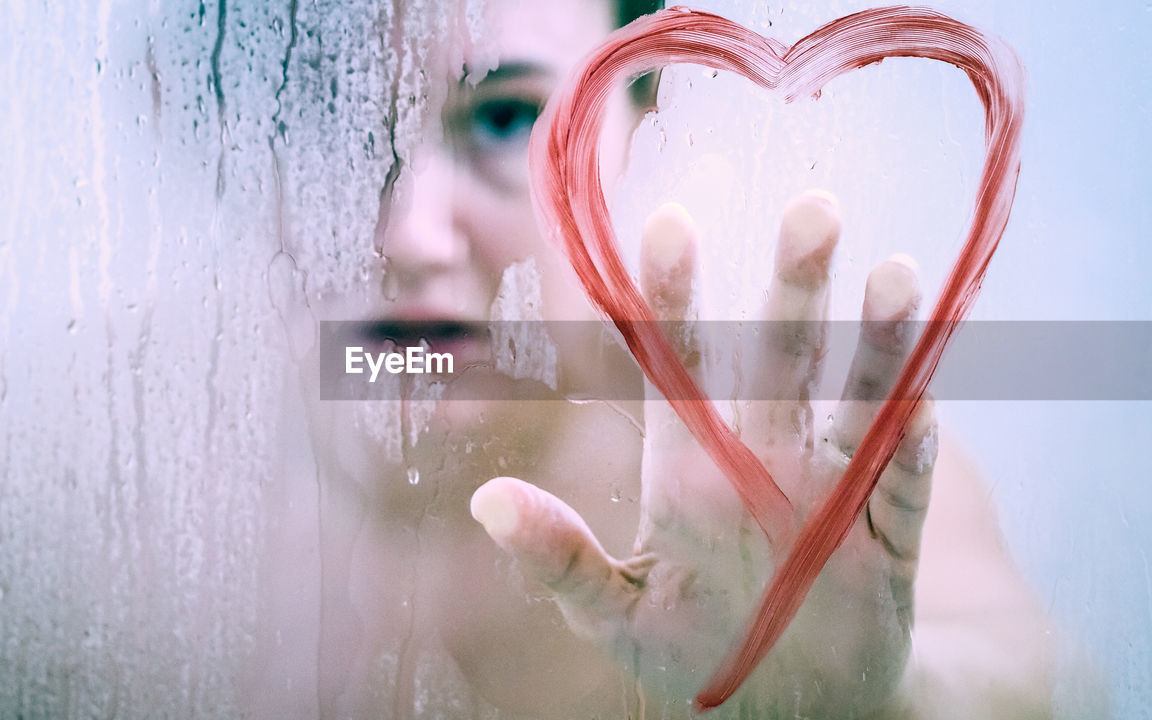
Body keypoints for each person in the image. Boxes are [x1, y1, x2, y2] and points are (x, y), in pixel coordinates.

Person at [298, 0, 1058, 717]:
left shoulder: (782, 454)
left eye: (504, 117)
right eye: (340, 120)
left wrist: (881, 699)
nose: (410, 233)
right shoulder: (216, 464)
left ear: (639, 125)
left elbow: (1036, 677)